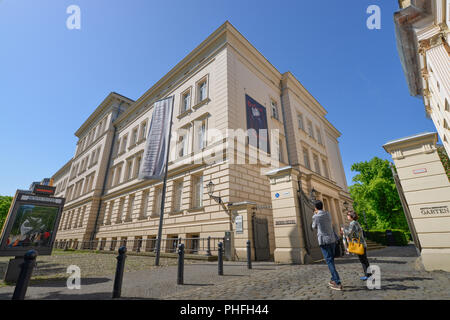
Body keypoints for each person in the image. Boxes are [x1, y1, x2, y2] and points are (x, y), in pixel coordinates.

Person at [312, 200, 343, 291]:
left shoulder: (316, 216)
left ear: (316, 207)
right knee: (331, 260)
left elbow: (313, 227)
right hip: (332, 240)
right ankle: (333, 279)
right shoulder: (328, 214)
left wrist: (314, 215)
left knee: (329, 261)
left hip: (324, 241)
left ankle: (338, 282)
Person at [341, 211, 371, 281]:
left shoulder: (353, 223)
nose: (347, 216)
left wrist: (343, 230)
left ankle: (368, 275)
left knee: (363, 260)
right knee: (364, 260)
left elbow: (349, 233)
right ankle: (368, 275)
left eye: (348, 215)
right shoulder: (356, 222)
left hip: (359, 245)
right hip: (362, 244)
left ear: (351, 216)